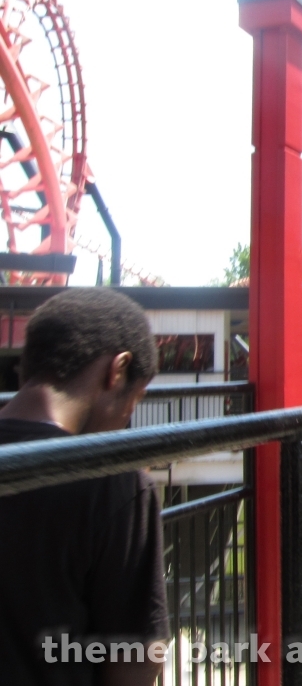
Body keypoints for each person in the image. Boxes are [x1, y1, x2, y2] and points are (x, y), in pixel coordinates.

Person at [0, 288, 167, 686]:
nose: (129, 416)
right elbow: (135, 660)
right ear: (118, 370)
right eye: (136, 398)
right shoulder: (114, 483)